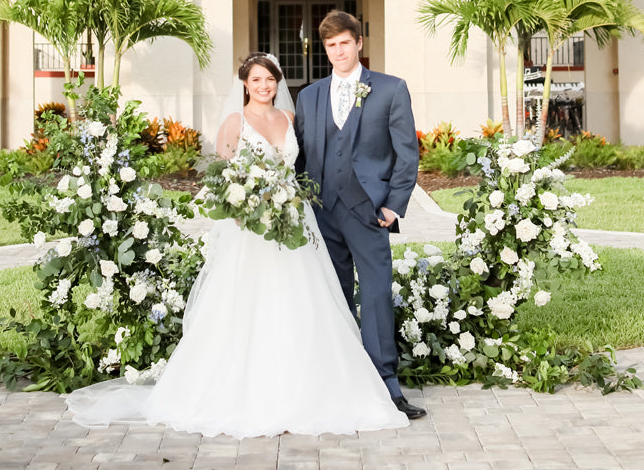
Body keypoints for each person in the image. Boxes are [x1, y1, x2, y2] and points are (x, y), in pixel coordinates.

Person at [65, 53, 408, 438]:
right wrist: (248, 207)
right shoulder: (234, 123)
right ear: (244, 83)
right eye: (257, 80)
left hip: (294, 222)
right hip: (251, 231)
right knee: (250, 306)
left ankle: (308, 386)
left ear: (278, 83)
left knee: (303, 302)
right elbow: (221, 179)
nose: (264, 86)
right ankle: (244, 391)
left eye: (270, 80)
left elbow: (306, 165)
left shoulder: (289, 119)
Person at [294, 12, 426, 420]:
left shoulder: (389, 89)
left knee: (375, 295)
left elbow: (408, 154)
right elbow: (299, 155)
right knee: (333, 298)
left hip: (369, 212)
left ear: (359, 43)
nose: (338, 51)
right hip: (322, 212)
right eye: (331, 45)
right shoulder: (309, 96)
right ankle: (338, 381)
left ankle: (387, 384)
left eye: (345, 43)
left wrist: (393, 204)